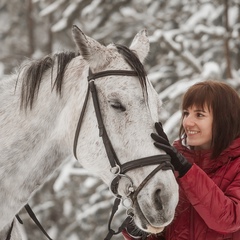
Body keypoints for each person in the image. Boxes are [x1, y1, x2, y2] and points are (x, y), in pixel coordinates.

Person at [122, 80, 240, 240]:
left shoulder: (236, 165)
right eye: (186, 113)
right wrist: (141, 234)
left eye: (199, 114)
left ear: (225, 120)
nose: (187, 122)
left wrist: (187, 170)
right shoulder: (174, 166)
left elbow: (229, 220)